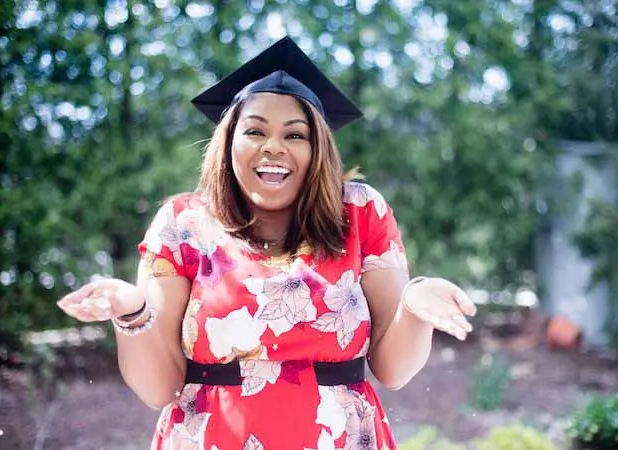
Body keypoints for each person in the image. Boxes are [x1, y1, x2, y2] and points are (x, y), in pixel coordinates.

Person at [57, 36, 476, 450]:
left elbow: (393, 369)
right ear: (229, 142)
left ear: (318, 150)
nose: (273, 146)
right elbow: (157, 388)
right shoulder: (182, 224)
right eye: (255, 130)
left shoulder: (361, 213)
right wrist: (131, 312)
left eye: (295, 135)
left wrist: (415, 305)